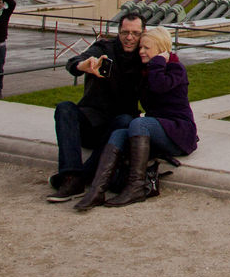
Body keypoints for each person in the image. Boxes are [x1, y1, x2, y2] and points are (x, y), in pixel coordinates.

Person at [76, 26, 197, 210]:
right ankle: (96, 191)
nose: (141, 51)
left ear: (161, 49)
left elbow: (159, 86)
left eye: (146, 48)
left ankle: (136, 188)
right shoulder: (147, 71)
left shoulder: (175, 68)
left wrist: (158, 61)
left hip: (178, 132)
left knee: (139, 123)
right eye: (141, 47)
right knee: (119, 133)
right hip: (156, 130)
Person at [46, 13, 146, 202]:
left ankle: (79, 178)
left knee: (125, 121)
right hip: (92, 122)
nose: (129, 38)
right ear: (118, 32)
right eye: (125, 32)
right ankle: (71, 175)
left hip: (118, 127)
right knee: (64, 108)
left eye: (135, 33)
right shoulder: (104, 49)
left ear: (143, 33)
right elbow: (74, 62)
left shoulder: (144, 56)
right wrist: (84, 65)